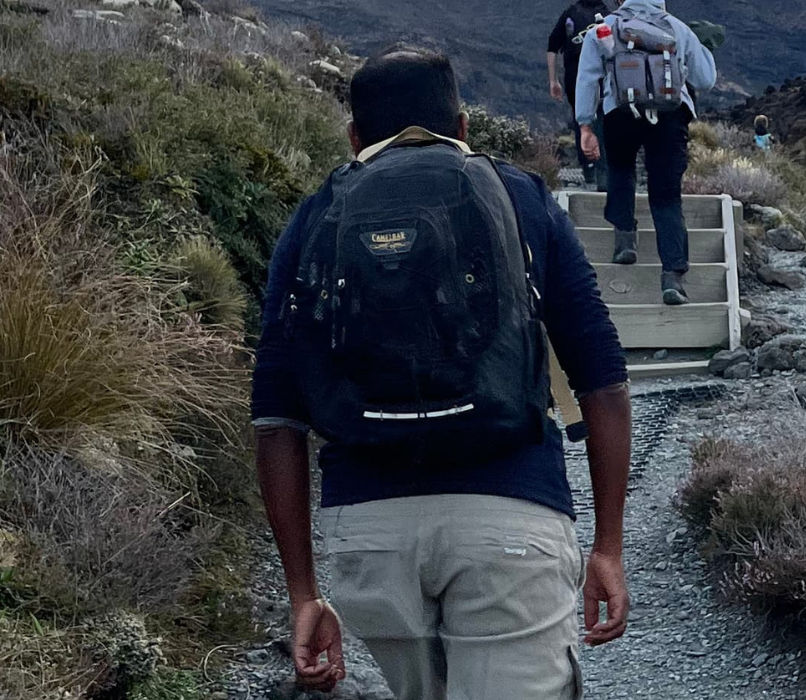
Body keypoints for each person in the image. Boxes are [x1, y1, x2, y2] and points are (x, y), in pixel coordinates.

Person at [252, 45, 633, 700]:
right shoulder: (520, 198)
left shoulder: (317, 217)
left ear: (354, 138)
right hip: (512, 519)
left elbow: (275, 420)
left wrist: (303, 594)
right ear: (462, 128)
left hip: (369, 537)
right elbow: (602, 378)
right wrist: (607, 546)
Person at [574, 0, 717, 306]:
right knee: (666, 195)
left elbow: (587, 78)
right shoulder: (678, 28)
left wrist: (586, 126)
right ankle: (673, 277)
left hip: (620, 112)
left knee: (621, 169)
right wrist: (703, 45)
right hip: (670, 115)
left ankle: (625, 238)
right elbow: (705, 80)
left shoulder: (604, 28)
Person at [548, 0, 612, 190]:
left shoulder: (570, 13)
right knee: (602, 120)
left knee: (581, 120)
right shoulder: (607, 15)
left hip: (574, 77)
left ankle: (588, 168)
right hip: (602, 77)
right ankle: (602, 171)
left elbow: (552, 47)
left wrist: (553, 80)